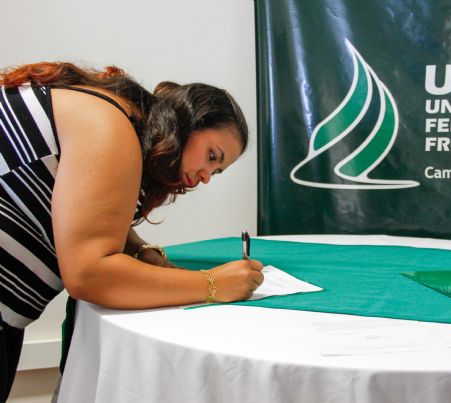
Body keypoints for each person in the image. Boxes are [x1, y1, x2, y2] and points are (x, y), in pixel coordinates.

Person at [0, 62, 264, 402]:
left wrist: (140, 249)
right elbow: (88, 274)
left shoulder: (114, 116)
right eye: (212, 156)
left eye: (217, 171)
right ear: (188, 121)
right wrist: (213, 284)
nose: (206, 177)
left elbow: (87, 213)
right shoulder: (110, 127)